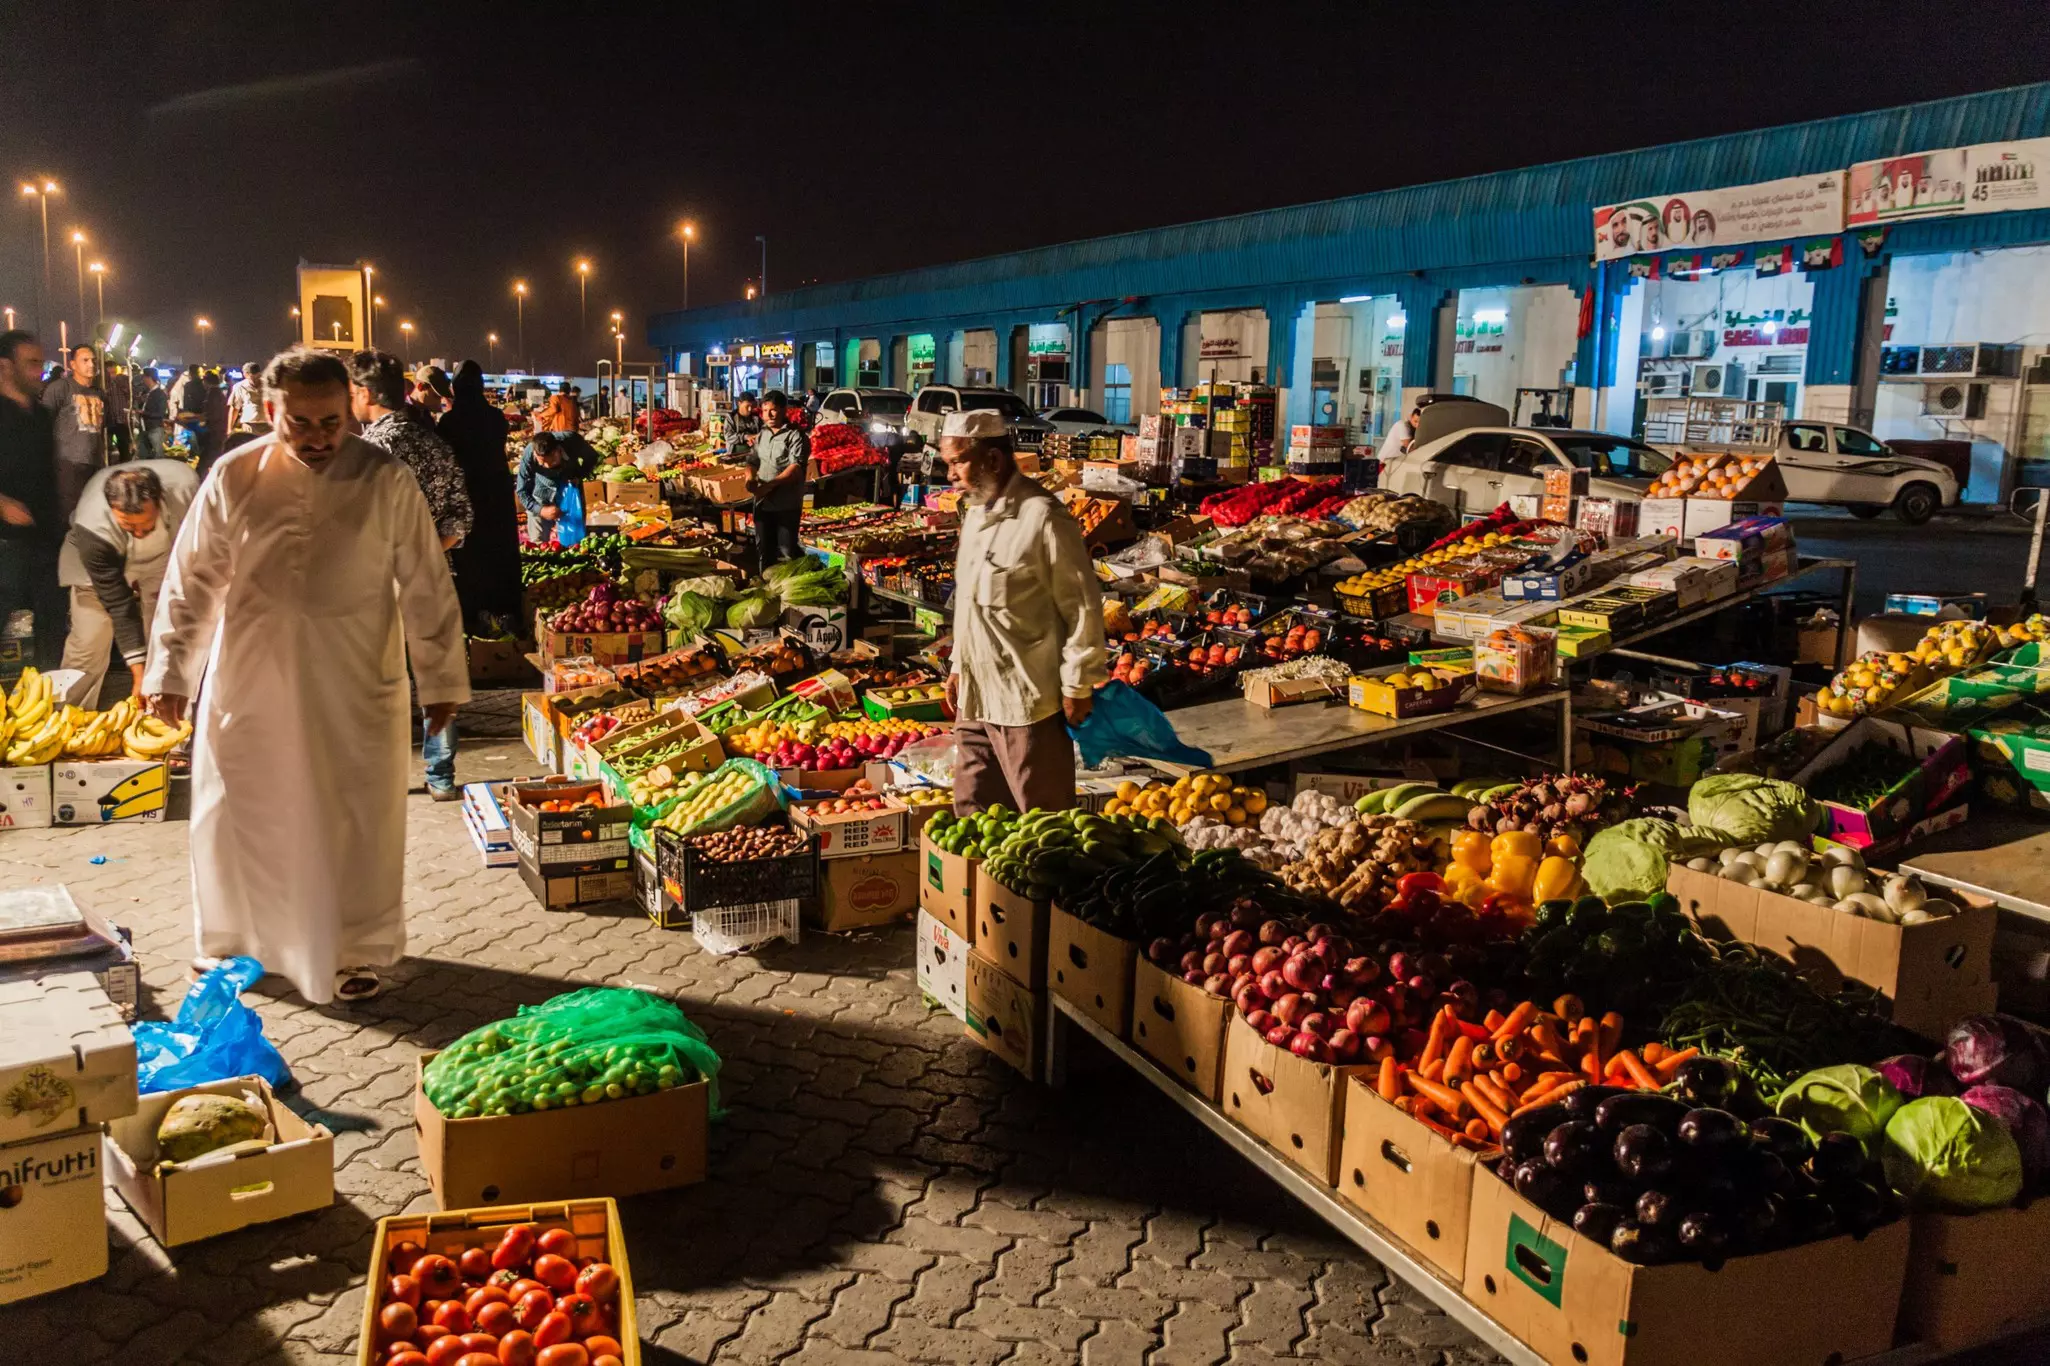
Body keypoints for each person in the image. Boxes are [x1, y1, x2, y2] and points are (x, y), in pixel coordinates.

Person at [143, 347, 468, 1005]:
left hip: (353, 682)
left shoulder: (385, 479)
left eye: (331, 421)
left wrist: (440, 684)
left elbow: (426, 587)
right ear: (270, 412)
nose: (320, 439)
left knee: (349, 818)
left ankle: (350, 952)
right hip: (250, 678)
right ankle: (233, 947)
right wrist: (172, 672)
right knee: (235, 811)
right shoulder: (235, 475)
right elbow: (192, 581)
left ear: (350, 409)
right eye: (301, 423)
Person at [941, 409, 1104, 816]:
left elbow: (1083, 606)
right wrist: (958, 665)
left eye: (958, 461)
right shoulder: (976, 514)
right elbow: (969, 602)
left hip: (1027, 704)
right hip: (976, 699)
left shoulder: (1042, 517)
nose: (951, 475)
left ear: (993, 460)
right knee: (972, 814)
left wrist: (1077, 685)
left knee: (1040, 820)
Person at [349, 350, 474, 802]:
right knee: (435, 677)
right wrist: (423, 552)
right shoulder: (435, 444)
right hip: (433, 576)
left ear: (363, 393)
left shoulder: (364, 453)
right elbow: (461, 518)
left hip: (377, 584)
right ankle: (441, 777)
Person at [59, 460, 197, 707]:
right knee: (90, 639)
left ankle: (165, 712)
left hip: (161, 556)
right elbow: (118, 603)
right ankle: (70, 715)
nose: (140, 532)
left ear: (160, 500)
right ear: (113, 510)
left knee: (163, 630)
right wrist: (138, 672)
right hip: (97, 566)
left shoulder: (186, 491)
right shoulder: (93, 529)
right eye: (129, 526)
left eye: (146, 524)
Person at [438, 360, 522, 632]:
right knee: (498, 552)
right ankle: (505, 611)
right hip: (496, 495)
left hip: (467, 495)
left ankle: (475, 618)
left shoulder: (449, 421)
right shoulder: (496, 418)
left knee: (471, 556)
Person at [0, 331, 65, 666]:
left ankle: (50, 699)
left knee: (53, 622)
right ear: (6, 366)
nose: (39, 370)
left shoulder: (41, 416)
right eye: (31, 363)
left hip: (45, 539)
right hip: (5, 542)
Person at [41, 344, 106, 518]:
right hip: (68, 463)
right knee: (69, 514)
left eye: (93, 360)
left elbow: (102, 427)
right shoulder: (60, 388)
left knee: (93, 510)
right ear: (73, 365)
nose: (91, 364)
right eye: (85, 360)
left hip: (94, 462)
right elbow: (43, 423)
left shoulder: (99, 393)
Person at [747, 390, 808, 569]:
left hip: (786, 505)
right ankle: (766, 586)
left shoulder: (796, 436)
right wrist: (749, 478)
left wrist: (770, 486)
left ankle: (788, 590)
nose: (770, 415)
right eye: (765, 411)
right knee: (764, 550)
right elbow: (752, 460)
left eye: (774, 410)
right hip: (762, 504)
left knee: (786, 551)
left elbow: (796, 467)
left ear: (784, 410)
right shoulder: (763, 434)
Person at [517, 430, 576, 544]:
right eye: (542, 463)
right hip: (541, 494)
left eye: (552, 461)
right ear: (535, 454)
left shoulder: (571, 442)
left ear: (558, 450)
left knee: (573, 543)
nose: (547, 466)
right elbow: (521, 491)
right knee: (538, 544)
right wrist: (541, 510)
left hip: (568, 495)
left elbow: (591, 458)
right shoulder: (529, 454)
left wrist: (578, 474)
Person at [195, 370, 230, 480]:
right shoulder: (218, 393)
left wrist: (197, 418)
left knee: (206, 460)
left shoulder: (212, 393)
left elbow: (212, 414)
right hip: (219, 431)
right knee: (212, 458)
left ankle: (202, 481)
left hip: (214, 432)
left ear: (206, 382)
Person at [136, 368, 170, 460]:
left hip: (155, 428)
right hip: (144, 428)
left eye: (144, 377)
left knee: (158, 455)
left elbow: (160, 414)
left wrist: (144, 412)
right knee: (143, 455)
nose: (143, 380)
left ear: (148, 378)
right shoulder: (147, 393)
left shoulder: (159, 394)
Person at [226, 362, 265, 435]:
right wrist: (229, 429)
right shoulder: (240, 387)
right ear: (245, 375)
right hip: (249, 426)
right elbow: (234, 408)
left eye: (257, 376)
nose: (254, 379)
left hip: (267, 426)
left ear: (260, 374)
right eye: (251, 376)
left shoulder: (268, 385)